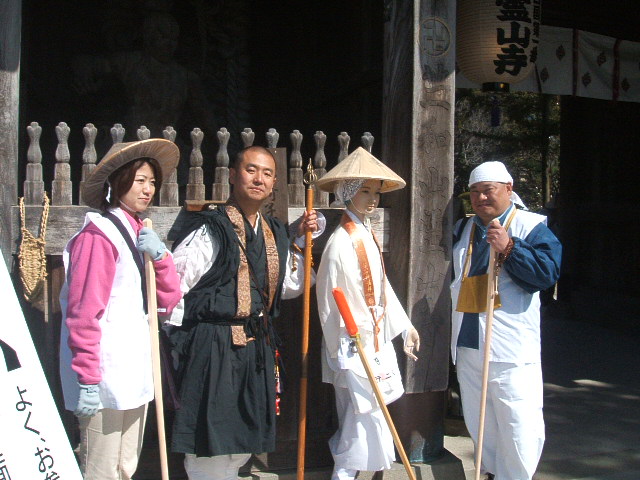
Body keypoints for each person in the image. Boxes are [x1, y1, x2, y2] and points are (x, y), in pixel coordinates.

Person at [165, 145, 324, 480]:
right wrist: (174, 344)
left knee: (241, 442)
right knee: (209, 442)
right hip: (213, 347)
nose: (258, 179)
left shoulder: (273, 231)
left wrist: (300, 240)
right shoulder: (209, 228)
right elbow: (173, 284)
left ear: (274, 183)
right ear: (233, 175)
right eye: (251, 170)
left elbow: (286, 287)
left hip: (256, 348)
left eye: (267, 173)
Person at [59, 138, 183, 479]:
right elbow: (83, 315)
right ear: (117, 182)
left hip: (135, 367)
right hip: (103, 372)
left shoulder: (142, 232)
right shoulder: (98, 236)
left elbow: (167, 299)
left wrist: (160, 257)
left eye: (152, 182)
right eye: (140, 180)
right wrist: (87, 379)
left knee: (126, 466)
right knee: (101, 470)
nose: (148, 189)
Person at [450, 161, 562, 480]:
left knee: (518, 422)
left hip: (510, 346)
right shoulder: (463, 229)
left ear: (509, 190)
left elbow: (546, 274)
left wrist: (510, 247)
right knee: (480, 420)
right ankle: (489, 473)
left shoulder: (531, 226)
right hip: (469, 341)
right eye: (474, 192)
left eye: (488, 190)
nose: (481, 198)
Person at [314, 147, 421, 480]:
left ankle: (351, 474)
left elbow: (382, 286)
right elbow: (328, 300)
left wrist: (404, 326)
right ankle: (344, 475)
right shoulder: (340, 242)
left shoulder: (366, 234)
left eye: (376, 192)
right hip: (353, 344)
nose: (373, 199)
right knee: (360, 415)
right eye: (365, 190)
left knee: (369, 413)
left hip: (373, 341)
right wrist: (341, 347)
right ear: (348, 192)